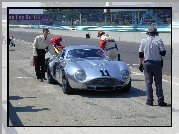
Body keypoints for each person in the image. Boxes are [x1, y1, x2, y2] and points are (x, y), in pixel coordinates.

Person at [138, 26, 167, 106]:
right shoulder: (159, 41)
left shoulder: (144, 41)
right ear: (156, 33)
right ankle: (160, 100)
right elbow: (163, 52)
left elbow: (140, 54)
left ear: (148, 33)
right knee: (158, 82)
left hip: (147, 63)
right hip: (157, 63)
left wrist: (140, 64)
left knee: (148, 82)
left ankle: (149, 100)